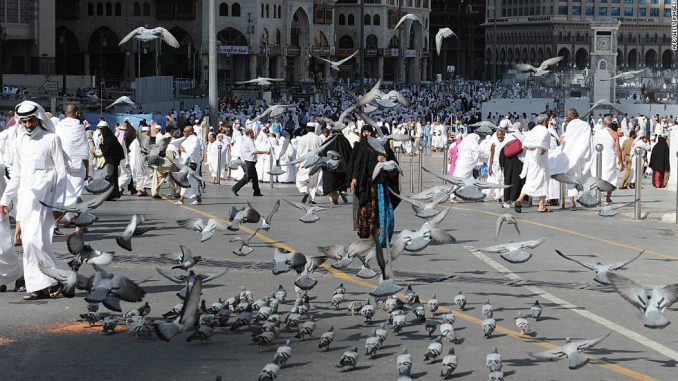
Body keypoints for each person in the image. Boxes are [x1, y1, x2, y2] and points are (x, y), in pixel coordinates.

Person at [0, 101, 67, 300]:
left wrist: (60, 204)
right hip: (26, 200)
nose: (28, 125)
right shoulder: (20, 141)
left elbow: (62, 174)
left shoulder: (52, 139)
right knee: (30, 244)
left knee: (37, 242)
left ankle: (55, 279)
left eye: (30, 121)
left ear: (38, 117)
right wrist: (5, 199)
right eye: (24, 122)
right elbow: (17, 175)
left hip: (47, 200)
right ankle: (40, 286)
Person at [349, 125, 400, 244]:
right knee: (366, 206)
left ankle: (379, 234)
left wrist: (384, 161)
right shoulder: (363, 147)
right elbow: (358, 164)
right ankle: (367, 231)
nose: (367, 134)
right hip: (366, 183)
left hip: (380, 184)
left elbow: (394, 165)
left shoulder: (381, 146)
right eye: (364, 131)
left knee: (379, 208)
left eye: (369, 131)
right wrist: (354, 178)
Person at [54, 104, 90, 232]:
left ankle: (59, 223)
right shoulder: (80, 128)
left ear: (65, 113)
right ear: (76, 113)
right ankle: (78, 226)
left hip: (61, 165)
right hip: (78, 165)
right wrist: (87, 169)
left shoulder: (58, 127)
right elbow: (84, 151)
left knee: (63, 194)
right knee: (76, 195)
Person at [549, 112, 593, 210]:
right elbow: (588, 140)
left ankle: (572, 202)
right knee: (581, 178)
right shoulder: (585, 125)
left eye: (568, 115)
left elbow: (564, 139)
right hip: (581, 155)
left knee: (570, 179)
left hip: (570, 156)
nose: (567, 117)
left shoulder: (571, 125)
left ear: (572, 115)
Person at [515, 114, 551, 213]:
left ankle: (520, 199)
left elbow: (524, 146)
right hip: (541, 162)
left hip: (531, 161)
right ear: (545, 122)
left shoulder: (533, 131)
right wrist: (539, 155)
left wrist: (533, 149)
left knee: (530, 181)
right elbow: (544, 148)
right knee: (543, 181)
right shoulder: (545, 131)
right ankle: (541, 206)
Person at [591, 116, 623, 204]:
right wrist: (620, 161)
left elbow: (593, 145)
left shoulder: (597, 133)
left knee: (597, 175)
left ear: (603, 124)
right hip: (609, 158)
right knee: (611, 178)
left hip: (598, 156)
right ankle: (608, 199)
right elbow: (618, 149)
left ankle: (596, 197)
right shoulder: (614, 134)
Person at [232, 129, 269, 196]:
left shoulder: (246, 141)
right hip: (249, 162)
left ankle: (256, 192)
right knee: (247, 177)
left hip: (250, 161)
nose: (254, 134)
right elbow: (254, 151)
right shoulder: (249, 141)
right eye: (252, 133)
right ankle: (235, 188)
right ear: (249, 134)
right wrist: (265, 152)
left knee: (255, 177)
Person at [321, 126, 353, 205]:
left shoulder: (328, 141)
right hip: (343, 166)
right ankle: (342, 191)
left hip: (331, 167)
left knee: (332, 183)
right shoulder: (345, 141)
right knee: (341, 181)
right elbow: (350, 153)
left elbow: (322, 152)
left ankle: (334, 196)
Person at [295, 123, 323, 204]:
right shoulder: (319, 139)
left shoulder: (302, 138)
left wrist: (297, 163)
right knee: (313, 183)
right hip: (315, 163)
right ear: (314, 129)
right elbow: (321, 151)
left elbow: (299, 152)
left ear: (307, 129)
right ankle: (311, 199)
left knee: (300, 180)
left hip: (304, 163)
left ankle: (304, 191)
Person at [176, 125, 203, 205]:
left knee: (188, 178)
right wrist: (181, 149)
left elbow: (193, 150)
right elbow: (181, 146)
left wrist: (184, 150)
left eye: (185, 131)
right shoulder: (187, 139)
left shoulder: (195, 139)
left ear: (190, 132)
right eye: (183, 131)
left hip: (193, 163)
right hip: (187, 162)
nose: (183, 133)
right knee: (192, 180)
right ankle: (198, 198)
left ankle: (181, 199)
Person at [151, 125, 179, 198]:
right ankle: (176, 192)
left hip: (160, 159)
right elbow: (175, 150)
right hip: (170, 156)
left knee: (158, 176)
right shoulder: (172, 139)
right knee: (174, 175)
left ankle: (155, 192)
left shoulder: (161, 137)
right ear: (171, 131)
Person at [128, 125, 152, 196]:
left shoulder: (139, 139)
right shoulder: (145, 139)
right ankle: (141, 189)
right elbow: (146, 149)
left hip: (140, 159)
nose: (144, 133)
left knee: (141, 174)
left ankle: (140, 189)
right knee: (145, 174)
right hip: (142, 159)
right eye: (143, 131)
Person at [487, 128, 507, 204]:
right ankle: (498, 196)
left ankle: (503, 195)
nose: (500, 137)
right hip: (496, 164)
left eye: (501, 135)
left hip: (504, 163)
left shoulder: (506, 143)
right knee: (497, 180)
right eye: (498, 135)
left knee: (503, 179)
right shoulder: (494, 144)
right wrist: (490, 167)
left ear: (504, 135)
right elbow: (491, 156)